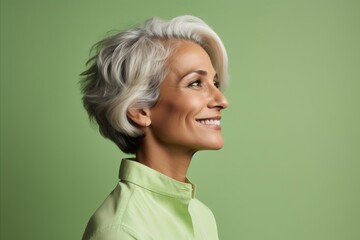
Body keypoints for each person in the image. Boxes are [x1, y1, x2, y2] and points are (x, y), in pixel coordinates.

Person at [81, 15, 229, 240]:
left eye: (215, 83)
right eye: (196, 83)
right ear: (140, 110)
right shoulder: (121, 231)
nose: (221, 100)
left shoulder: (202, 216)